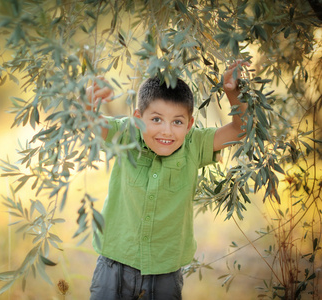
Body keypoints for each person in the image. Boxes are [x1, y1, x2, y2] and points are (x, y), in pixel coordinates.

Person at [85, 60, 250, 300]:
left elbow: (240, 130)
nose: (167, 131)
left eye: (177, 122)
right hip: (114, 266)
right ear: (138, 118)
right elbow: (90, 122)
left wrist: (232, 93)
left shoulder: (194, 144)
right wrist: (87, 102)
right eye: (156, 120)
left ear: (189, 124)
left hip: (165, 273)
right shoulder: (126, 134)